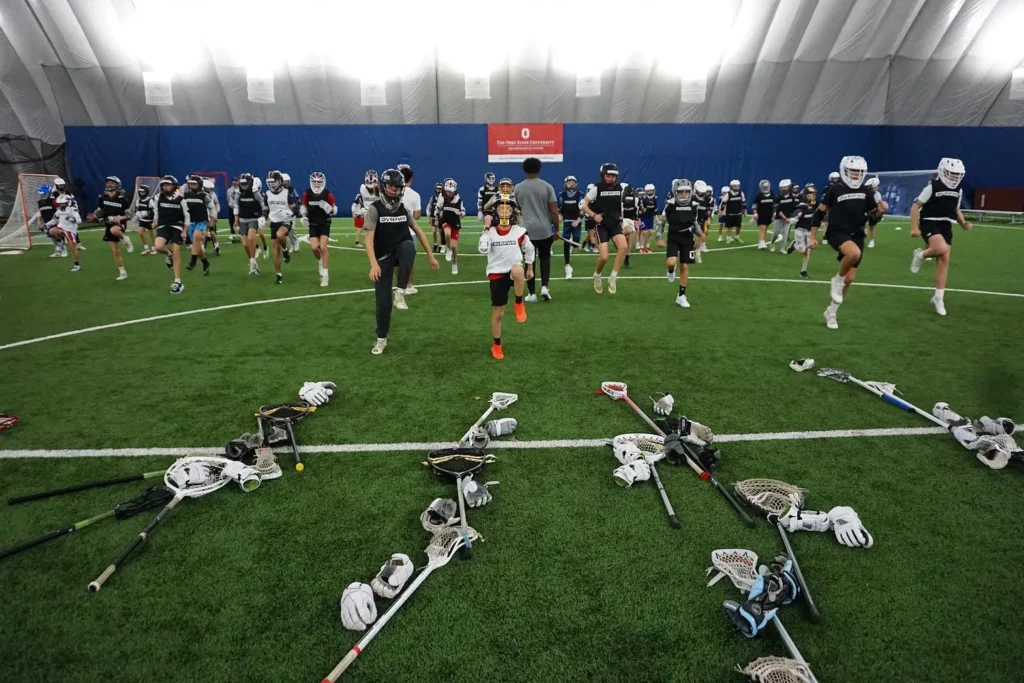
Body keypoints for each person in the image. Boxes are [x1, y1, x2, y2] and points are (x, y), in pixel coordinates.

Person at [364, 169, 439, 355]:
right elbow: (368, 240)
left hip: (400, 254)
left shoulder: (403, 209)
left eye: (397, 187)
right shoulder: (375, 209)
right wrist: (373, 264)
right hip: (382, 259)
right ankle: (381, 339)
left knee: (408, 246)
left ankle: (400, 291)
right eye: (391, 186)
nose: (394, 190)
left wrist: (431, 255)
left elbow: (418, 231)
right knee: (383, 303)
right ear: (384, 186)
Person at [810, 156, 887, 329]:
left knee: (850, 279)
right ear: (845, 171)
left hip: (857, 235)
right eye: (853, 171)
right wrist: (812, 236)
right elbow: (819, 213)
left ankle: (831, 313)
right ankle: (836, 280)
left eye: (859, 172)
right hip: (837, 232)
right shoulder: (835, 189)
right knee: (853, 254)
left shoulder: (866, 191)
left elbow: (872, 217)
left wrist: (880, 212)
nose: (856, 175)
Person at [909, 158, 972, 316]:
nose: (954, 177)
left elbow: (956, 209)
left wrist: (963, 223)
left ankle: (938, 298)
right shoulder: (932, 186)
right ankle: (920, 255)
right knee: (940, 248)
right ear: (943, 171)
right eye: (951, 173)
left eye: (957, 174)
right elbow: (916, 206)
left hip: (946, 225)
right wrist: (914, 227)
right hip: (929, 222)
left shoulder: (958, 189)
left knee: (944, 260)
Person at [479, 193, 533, 360]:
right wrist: (486, 229)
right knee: (499, 313)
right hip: (496, 273)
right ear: (494, 211)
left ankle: (519, 301)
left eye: (508, 208)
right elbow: (483, 249)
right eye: (500, 208)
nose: (504, 211)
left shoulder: (518, 231)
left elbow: (529, 248)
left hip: (513, 272)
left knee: (518, 269)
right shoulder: (491, 232)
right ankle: (496, 344)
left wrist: (530, 266)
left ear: (513, 212)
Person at [513, 158, 560, 301]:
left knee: (529, 261)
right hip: (544, 229)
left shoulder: (518, 188)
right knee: (545, 258)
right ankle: (545, 286)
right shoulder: (547, 186)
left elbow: (518, 208)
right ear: (539, 169)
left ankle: (532, 293)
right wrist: (557, 228)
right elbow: (554, 211)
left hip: (526, 230)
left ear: (524, 169)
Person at [581, 162, 629, 294]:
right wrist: (594, 215)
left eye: (613, 176)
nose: (611, 178)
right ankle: (597, 275)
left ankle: (613, 277)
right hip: (601, 225)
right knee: (604, 257)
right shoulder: (597, 188)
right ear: (603, 176)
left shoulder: (620, 188)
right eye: (608, 176)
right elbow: (582, 204)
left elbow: (620, 207)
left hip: (615, 223)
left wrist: (623, 222)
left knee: (623, 247)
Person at [662, 179, 701, 308]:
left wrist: (700, 234)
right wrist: (658, 237)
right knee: (671, 262)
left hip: (688, 238)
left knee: (684, 266)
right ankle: (670, 270)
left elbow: (694, 222)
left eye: (686, 191)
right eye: (680, 192)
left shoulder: (694, 205)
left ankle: (681, 296)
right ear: (675, 192)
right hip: (673, 237)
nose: (684, 194)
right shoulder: (670, 205)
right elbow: (662, 221)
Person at [90, 175, 133, 281]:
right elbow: (100, 210)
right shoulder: (102, 197)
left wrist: (119, 218)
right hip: (108, 223)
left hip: (120, 223)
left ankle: (125, 239)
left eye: (112, 183)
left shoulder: (122, 199)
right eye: (108, 182)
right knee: (115, 251)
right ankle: (122, 272)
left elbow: (129, 215)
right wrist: (95, 216)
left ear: (118, 185)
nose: (109, 184)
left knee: (114, 230)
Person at [152, 175, 190, 294]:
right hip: (163, 226)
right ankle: (169, 254)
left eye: (168, 185)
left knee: (177, 252)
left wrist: (185, 230)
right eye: (164, 185)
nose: (165, 187)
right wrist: (155, 222)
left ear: (174, 186)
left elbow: (187, 216)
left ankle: (178, 281)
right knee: (158, 247)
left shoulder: (180, 199)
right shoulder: (158, 197)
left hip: (176, 227)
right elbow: (156, 212)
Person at [300, 171, 337, 287]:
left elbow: (335, 209)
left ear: (323, 182)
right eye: (314, 182)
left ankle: (325, 276)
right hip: (313, 224)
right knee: (314, 247)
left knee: (323, 247)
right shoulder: (307, 193)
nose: (316, 184)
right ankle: (320, 261)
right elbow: (304, 207)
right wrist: (303, 216)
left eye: (319, 182)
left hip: (324, 223)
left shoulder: (327, 194)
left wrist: (330, 209)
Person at [265, 170, 296, 284]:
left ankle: (285, 250)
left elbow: (295, 209)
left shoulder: (287, 193)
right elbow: (265, 209)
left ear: (279, 181)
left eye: (273, 181)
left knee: (280, 234)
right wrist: (264, 217)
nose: (271, 184)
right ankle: (278, 274)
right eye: (270, 182)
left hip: (285, 220)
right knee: (275, 249)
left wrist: (289, 213)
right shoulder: (267, 194)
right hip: (274, 221)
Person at [235, 173, 267, 276]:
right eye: (242, 183)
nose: (244, 186)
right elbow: (236, 206)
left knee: (251, 238)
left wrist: (263, 215)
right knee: (245, 244)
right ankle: (253, 261)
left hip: (254, 218)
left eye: (246, 183)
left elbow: (263, 204)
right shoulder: (238, 193)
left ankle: (252, 264)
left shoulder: (255, 193)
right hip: (242, 220)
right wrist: (236, 219)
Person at [181, 175, 213, 277]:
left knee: (196, 237)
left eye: (194, 184)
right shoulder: (185, 195)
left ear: (199, 184)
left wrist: (212, 218)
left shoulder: (204, 195)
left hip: (201, 221)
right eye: (190, 184)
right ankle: (205, 262)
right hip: (190, 221)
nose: (192, 185)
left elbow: (211, 207)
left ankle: (193, 261)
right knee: (197, 246)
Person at [398, 165, 422, 293]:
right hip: (410, 231)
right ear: (411, 179)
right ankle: (408, 285)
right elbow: (417, 216)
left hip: (394, 230)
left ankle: (400, 285)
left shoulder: (395, 192)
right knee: (409, 260)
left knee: (394, 260)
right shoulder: (415, 195)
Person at [435, 178, 466, 275]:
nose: (449, 193)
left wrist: (460, 213)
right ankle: (448, 249)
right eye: (447, 191)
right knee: (447, 233)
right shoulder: (442, 198)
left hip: (455, 222)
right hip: (446, 221)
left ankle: (454, 262)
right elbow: (437, 209)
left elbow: (463, 212)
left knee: (454, 247)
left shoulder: (459, 200)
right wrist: (437, 217)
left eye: (451, 192)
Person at [45, 194, 82, 272]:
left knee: (72, 248)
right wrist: (46, 225)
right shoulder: (59, 211)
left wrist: (73, 220)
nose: (61, 205)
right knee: (51, 231)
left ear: (68, 202)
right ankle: (60, 242)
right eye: (60, 203)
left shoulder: (72, 209)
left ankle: (77, 265)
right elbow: (54, 220)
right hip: (61, 227)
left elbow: (79, 220)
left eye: (63, 203)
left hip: (70, 229)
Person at [557, 175, 583, 279]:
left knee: (576, 241)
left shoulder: (580, 195)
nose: (571, 184)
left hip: (576, 221)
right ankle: (567, 265)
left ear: (576, 184)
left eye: (573, 182)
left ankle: (573, 244)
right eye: (569, 182)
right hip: (567, 222)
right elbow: (560, 209)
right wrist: (559, 217)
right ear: (565, 184)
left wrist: (578, 220)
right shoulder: (561, 195)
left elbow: (582, 209)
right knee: (566, 242)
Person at [788, 183, 816, 278]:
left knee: (807, 251)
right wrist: (795, 218)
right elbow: (793, 219)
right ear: (805, 195)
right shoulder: (801, 207)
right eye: (810, 194)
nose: (813, 196)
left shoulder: (813, 205)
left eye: (813, 194)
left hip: (809, 230)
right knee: (802, 250)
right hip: (800, 230)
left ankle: (803, 271)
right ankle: (794, 245)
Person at [769, 179, 795, 252]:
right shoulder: (778, 197)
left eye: (785, 187)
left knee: (786, 234)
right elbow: (778, 210)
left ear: (789, 187)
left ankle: (782, 248)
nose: (784, 189)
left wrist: (792, 216)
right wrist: (785, 218)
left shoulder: (792, 197)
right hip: (779, 217)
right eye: (782, 187)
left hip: (788, 218)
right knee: (776, 233)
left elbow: (793, 207)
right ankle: (772, 243)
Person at [356, 170, 378, 248]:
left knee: (371, 231)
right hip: (370, 212)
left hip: (370, 212)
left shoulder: (362, 188)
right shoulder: (364, 188)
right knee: (370, 231)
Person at [133, 184, 157, 255]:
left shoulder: (150, 200)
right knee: (140, 232)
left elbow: (154, 211)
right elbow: (136, 209)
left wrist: (146, 213)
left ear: (146, 192)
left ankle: (153, 248)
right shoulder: (138, 200)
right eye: (140, 192)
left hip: (150, 220)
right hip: (142, 220)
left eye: (143, 192)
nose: (141, 193)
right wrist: (137, 213)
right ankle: (146, 248)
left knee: (151, 234)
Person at [621, 184, 640, 268]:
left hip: (631, 219)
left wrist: (637, 219)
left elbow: (636, 209)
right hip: (623, 219)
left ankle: (626, 259)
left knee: (628, 239)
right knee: (627, 232)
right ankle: (616, 236)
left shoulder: (635, 199)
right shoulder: (620, 198)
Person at [693, 180, 714, 256]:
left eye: (702, 192)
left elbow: (707, 209)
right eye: (699, 192)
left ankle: (698, 249)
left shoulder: (707, 198)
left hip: (701, 218)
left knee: (702, 234)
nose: (701, 194)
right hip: (691, 219)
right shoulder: (691, 196)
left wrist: (708, 218)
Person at [722, 179, 746, 244]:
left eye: (737, 186)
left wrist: (745, 210)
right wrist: (721, 211)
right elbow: (723, 203)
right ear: (732, 186)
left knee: (739, 226)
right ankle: (729, 238)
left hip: (738, 213)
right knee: (729, 227)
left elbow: (744, 202)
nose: (736, 187)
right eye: (735, 186)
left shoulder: (741, 193)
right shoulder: (728, 194)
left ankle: (737, 237)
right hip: (730, 213)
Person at [753, 179, 775, 250]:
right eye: (764, 187)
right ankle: (760, 243)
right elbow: (754, 205)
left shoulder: (772, 194)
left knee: (766, 228)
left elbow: (774, 205)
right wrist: (755, 213)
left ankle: (763, 241)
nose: (765, 188)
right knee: (762, 228)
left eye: (766, 187)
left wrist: (774, 213)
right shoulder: (759, 196)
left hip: (769, 214)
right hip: (761, 214)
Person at [282, 173, 301, 254]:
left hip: (292, 211)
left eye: (287, 181)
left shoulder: (292, 189)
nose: (286, 183)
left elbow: (297, 197)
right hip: (283, 212)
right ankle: (291, 245)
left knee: (292, 228)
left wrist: (298, 207)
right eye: (284, 182)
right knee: (286, 230)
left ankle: (295, 241)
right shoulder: (279, 191)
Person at [203, 177, 221, 256]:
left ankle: (204, 248)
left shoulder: (210, 194)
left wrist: (216, 214)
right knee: (210, 232)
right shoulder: (210, 194)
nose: (210, 189)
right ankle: (216, 246)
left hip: (208, 215)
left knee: (207, 232)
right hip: (208, 215)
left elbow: (216, 203)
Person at [864, 177, 884, 248]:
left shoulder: (877, 194)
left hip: (873, 212)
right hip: (865, 211)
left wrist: (878, 213)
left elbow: (879, 205)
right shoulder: (865, 193)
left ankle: (872, 241)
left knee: (872, 226)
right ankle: (863, 234)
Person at [638, 184, 658, 254]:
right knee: (643, 232)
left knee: (650, 232)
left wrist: (656, 217)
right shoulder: (643, 199)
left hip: (650, 217)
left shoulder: (655, 198)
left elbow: (655, 209)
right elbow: (640, 210)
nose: (650, 192)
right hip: (644, 217)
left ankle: (647, 246)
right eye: (648, 191)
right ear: (646, 191)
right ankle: (641, 247)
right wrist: (639, 218)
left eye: (651, 191)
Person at [426, 182, 444, 253]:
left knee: (440, 233)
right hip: (434, 217)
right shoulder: (432, 198)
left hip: (441, 218)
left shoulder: (443, 198)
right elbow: (429, 207)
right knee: (434, 232)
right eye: (437, 189)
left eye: (440, 189)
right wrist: (428, 218)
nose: (439, 190)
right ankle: (435, 244)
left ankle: (441, 245)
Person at [226, 177, 241, 243]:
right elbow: (228, 198)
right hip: (231, 207)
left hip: (239, 207)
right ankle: (232, 234)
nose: (235, 182)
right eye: (234, 181)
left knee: (240, 221)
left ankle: (241, 234)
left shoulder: (241, 189)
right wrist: (230, 204)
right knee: (231, 221)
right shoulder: (229, 190)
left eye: (236, 181)